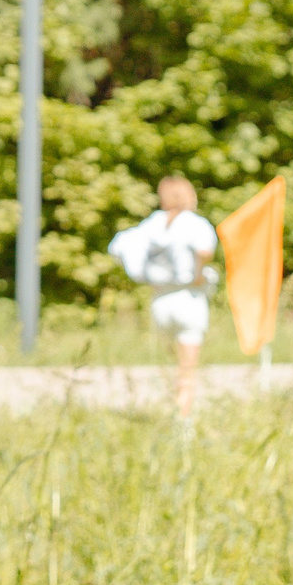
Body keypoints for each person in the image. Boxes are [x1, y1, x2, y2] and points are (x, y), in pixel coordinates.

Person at [108, 176, 220, 422]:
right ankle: (183, 419)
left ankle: (174, 406)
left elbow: (118, 247)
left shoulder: (153, 224)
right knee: (187, 367)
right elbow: (205, 250)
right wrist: (198, 274)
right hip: (188, 297)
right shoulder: (194, 223)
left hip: (160, 300)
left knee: (173, 360)